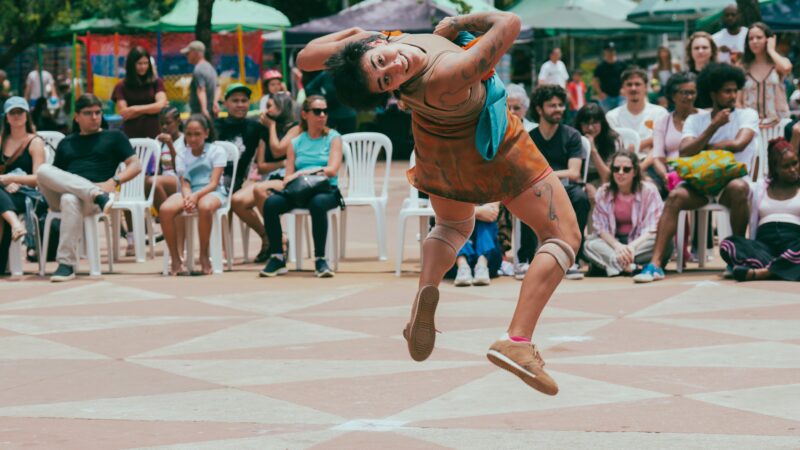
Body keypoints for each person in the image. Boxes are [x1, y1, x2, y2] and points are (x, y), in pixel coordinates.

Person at [298, 12, 582, 395]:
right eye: (386, 81)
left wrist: (356, 37)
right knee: (563, 235)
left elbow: (305, 58)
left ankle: (425, 292)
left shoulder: (385, 41)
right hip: (495, 148)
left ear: (374, 47)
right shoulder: (446, 73)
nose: (395, 69)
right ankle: (517, 342)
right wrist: (459, 22)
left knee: (452, 227)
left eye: (384, 63)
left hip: (437, 155)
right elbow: (509, 23)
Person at [634, 63, 757, 283]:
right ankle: (655, 264)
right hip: (700, 183)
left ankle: (736, 257)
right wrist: (714, 126)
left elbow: (739, 143)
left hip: (731, 181)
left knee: (739, 188)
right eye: (726, 91)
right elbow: (685, 151)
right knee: (674, 197)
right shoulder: (697, 120)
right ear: (713, 93)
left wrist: (706, 146)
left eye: (734, 90)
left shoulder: (748, 115)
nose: (732, 95)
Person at [36, 94, 141, 282]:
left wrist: (115, 181)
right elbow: (58, 177)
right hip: (77, 197)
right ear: (76, 116)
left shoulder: (114, 137)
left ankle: (66, 265)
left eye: (98, 112)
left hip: (90, 198)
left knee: (70, 199)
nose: (94, 117)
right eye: (88, 113)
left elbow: (136, 165)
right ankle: (95, 194)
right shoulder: (66, 142)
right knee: (43, 170)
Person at [259, 95, 342, 279]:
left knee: (318, 203)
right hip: (299, 190)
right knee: (271, 204)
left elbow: (332, 169)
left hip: (325, 189)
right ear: (305, 114)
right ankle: (277, 257)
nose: (322, 115)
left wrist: (305, 172)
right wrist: (294, 177)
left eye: (325, 111)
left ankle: (320, 259)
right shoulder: (296, 142)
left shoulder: (333, 138)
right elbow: (288, 175)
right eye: (317, 111)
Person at [523, 84, 589, 281]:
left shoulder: (572, 135)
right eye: (552, 105)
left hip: (566, 187)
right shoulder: (529, 138)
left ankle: (574, 257)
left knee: (581, 197)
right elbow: (525, 171)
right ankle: (524, 258)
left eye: (561, 105)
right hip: (537, 189)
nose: (559, 109)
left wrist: (546, 175)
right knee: (524, 198)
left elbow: (575, 172)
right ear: (539, 109)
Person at [232, 91, 299, 263]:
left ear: (281, 106)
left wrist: (271, 128)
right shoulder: (265, 131)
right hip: (268, 178)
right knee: (237, 201)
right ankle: (269, 237)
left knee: (261, 191)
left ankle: (275, 242)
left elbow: (278, 149)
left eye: (270, 106)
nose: (266, 110)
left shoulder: (295, 128)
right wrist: (282, 163)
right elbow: (261, 167)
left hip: (287, 178)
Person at [720, 138, 799, 281]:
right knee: (729, 244)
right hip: (764, 247)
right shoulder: (760, 188)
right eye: (786, 166)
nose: (792, 169)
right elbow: (737, 192)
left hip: (794, 243)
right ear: (775, 169)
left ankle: (764, 272)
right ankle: (782, 267)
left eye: (795, 163)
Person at [160, 115, 227, 276]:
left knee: (205, 206)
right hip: (188, 191)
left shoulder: (216, 151)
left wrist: (196, 197)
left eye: (197, 134)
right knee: (165, 209)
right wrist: (188, 197)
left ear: (206, 133)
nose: (192, 138)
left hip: (212, 191)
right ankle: (176, 258)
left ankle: (204, 254)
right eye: (189, 134)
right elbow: (184, 182)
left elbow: (213, 182)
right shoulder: (182, 154)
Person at [584, 151, 666, 276]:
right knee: (589, 244)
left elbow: (652, 228)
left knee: (664, 242)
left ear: (635, 172)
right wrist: (618, 246)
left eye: (626, 169)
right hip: (614, 243)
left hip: (640, 244)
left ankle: (612, 263)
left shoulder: (649, 191)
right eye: (616, 169)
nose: (620, 173)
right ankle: (631, 267)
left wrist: (631, 247)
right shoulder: (603, 192)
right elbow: (601, 229)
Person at [0, 97, 46, 274]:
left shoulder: (35, 142)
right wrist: (5, 183)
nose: (17, 116)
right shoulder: (1, 140)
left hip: (25, 194)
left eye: (20, 112)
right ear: (7, 117)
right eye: (13, 112)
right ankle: (15, 224)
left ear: (27, 115)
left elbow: (38, 177)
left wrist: (12, 180)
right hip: (4, 192)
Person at [651, 72, 698, 196]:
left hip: (700, 174)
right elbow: (657, 158)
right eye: (684, 93)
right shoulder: (663, 122)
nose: (689, 97)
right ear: (673, 96)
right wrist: (665, 176)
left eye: (692, 92)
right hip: (673, 177)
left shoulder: (705, 118)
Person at [738, 22, 793, 128]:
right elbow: (738, 101)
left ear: (768, 39)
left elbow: (787, 68)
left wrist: (771, 50)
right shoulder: (743, 67)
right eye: (751, 38)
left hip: (779, 124)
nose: (754, 41)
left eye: (759, 37)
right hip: (751, 126)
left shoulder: (777, 63)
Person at [215, 83, 264, 195]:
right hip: (210, 175)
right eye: (235, 101)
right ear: (226, 103)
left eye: (244, 101)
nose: (240, 105)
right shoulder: (214, 126)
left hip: (234, 179)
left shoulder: (256, 128)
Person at [605, 67, 668, 154]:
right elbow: (614, 147)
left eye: (637, 84)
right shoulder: (612, 116)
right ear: (623, 88)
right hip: (623, 164)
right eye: (629, 84)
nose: (633, 88)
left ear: (645, 87)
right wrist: (649, 142)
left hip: (652, 162)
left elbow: (663, 142)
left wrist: (633, 147)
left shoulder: (660, 113)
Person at [112, 46, 168, 139]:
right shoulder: (121, 86)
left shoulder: (156, 82)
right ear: (132, 64)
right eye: (139, 63)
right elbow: (124, 114)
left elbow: (161, 105)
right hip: (132, 136)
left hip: (154, 135)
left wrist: (134, 109)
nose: (143, 67)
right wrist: (152, 108)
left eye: (146, 63)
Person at [451, 202, 502, 286]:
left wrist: (463, 212)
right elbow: (449, 212)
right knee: (454, 219)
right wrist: (477, 211)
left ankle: (482, 264)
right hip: (454, 261)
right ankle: (462, 265)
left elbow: (492, 212)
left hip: (490, 261)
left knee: (486, 220)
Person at [573, 103, 620, 190]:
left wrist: (593, 150)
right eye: (586, 123)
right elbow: (574, 174)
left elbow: (607, 177)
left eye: (594, 123)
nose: (590, 128)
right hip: (582, 183)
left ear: (602, 123)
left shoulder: (612, 141)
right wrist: (586, 186)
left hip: (606, 184)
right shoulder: (573, 140)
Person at [150, 106, 183, 210]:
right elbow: (157, 169)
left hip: (180, 180)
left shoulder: (185, 140)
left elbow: (179, 168)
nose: (164, 127)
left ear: (178, 121)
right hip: (162, 179)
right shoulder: (159, 141)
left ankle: (166, 215)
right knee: (138, 185)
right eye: (161, 124)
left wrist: (170, 145)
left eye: (168, 123)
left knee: (153, 182)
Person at [182, 41, 219, 119]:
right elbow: (218, 88)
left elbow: (201, 89)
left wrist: (204, 109)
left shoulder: (198, 69)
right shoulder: (211, 68)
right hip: (210, 112)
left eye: (188, 53)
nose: (186, 56)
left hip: (199, 114)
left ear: (195, 53)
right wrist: (215, 102)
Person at [593, 42, 627, 112]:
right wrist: (600, 93)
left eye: (612, 50)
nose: (611, 53)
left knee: (622, 115)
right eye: (608, 51)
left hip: (620, 96)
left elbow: (627, 78)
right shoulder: (600, 66)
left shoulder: (622, 64)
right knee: (607, 118)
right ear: (604, 52)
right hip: (606, 97)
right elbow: (595, 81)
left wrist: (624, 88)